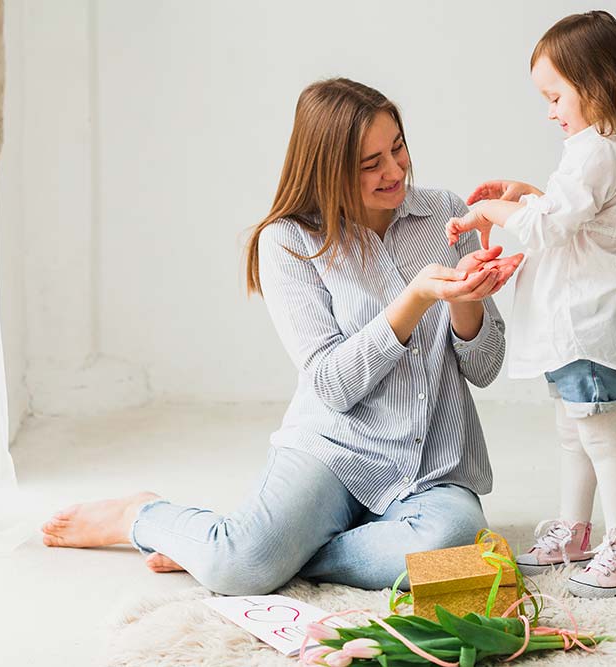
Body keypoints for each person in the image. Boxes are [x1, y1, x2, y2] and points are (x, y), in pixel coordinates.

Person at [41, 78, 524, 595]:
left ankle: (261, 551)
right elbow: (332, 386)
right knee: (237, 571)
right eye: (370, 163)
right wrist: (414, 300)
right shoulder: (288, 241)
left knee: (452, 554)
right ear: (327, 169)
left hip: (436, 463)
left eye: (398, 147)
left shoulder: (444, 214)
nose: (394, 170)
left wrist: (465, 301)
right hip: (334, 451)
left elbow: (485, 367)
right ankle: (142, 516)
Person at [446, 11, 616, 598]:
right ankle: (575, 531)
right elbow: (574, 219)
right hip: (577, 326)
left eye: (555, 95)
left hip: (585, 328)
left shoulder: (594, 149)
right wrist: (529, 194)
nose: (550, 110)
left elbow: (546, 231)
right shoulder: (606, 149)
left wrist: (495, 212)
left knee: (599, 438)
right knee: (576, 434)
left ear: (593, 84)